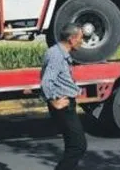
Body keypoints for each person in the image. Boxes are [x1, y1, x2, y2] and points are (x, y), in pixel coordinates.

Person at [40, 23, 87, 170]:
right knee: (78, 146)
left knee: (72, 145)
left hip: (66, 103)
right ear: (72, 39)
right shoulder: (56, 55)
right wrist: (54, 101)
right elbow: (46, 81)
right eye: (81, 38)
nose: (82, 41)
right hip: (63, 106)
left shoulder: (58, 53)